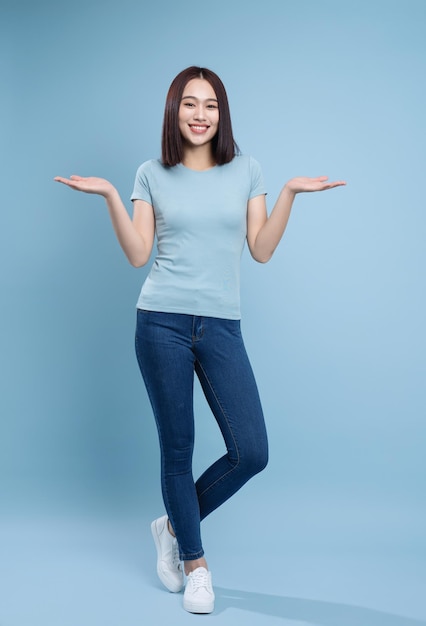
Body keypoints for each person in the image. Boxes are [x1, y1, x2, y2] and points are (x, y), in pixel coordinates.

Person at [55, 66, 345, 614]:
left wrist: (288, 193)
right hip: (159, 321)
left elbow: (260, 248)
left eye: (210, 105)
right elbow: (139, 254)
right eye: (189, 104)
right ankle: (196, 564)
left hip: (220, 326)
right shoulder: (151, 174)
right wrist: (112, 196)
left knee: (251, 451)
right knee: (178, 450)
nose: (199, 114)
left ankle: (172, 524)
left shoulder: (246, 170)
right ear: (174, 111)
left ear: (221, 113)